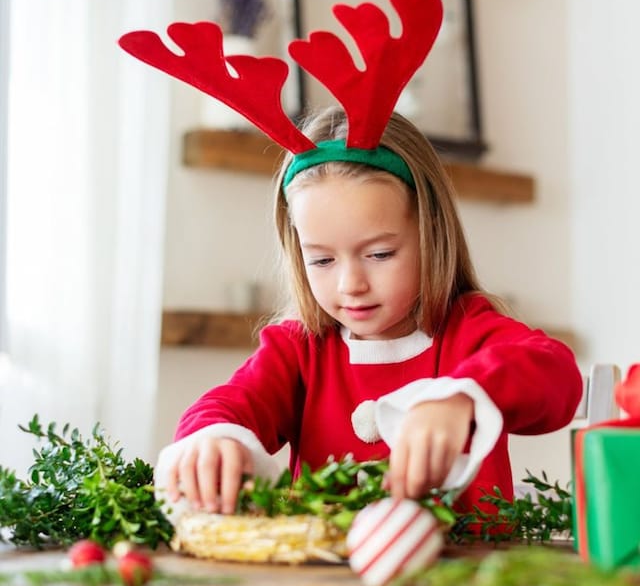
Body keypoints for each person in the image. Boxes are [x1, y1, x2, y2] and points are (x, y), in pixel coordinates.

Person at [154, 106, 583, 519]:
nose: (350, 285)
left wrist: (462, 396)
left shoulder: (468, 330)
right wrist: (212, 441)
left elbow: (555, 374)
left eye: (379, 253)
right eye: (322, 260)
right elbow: (226, 406)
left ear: (431, 233)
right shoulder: (297, 351)